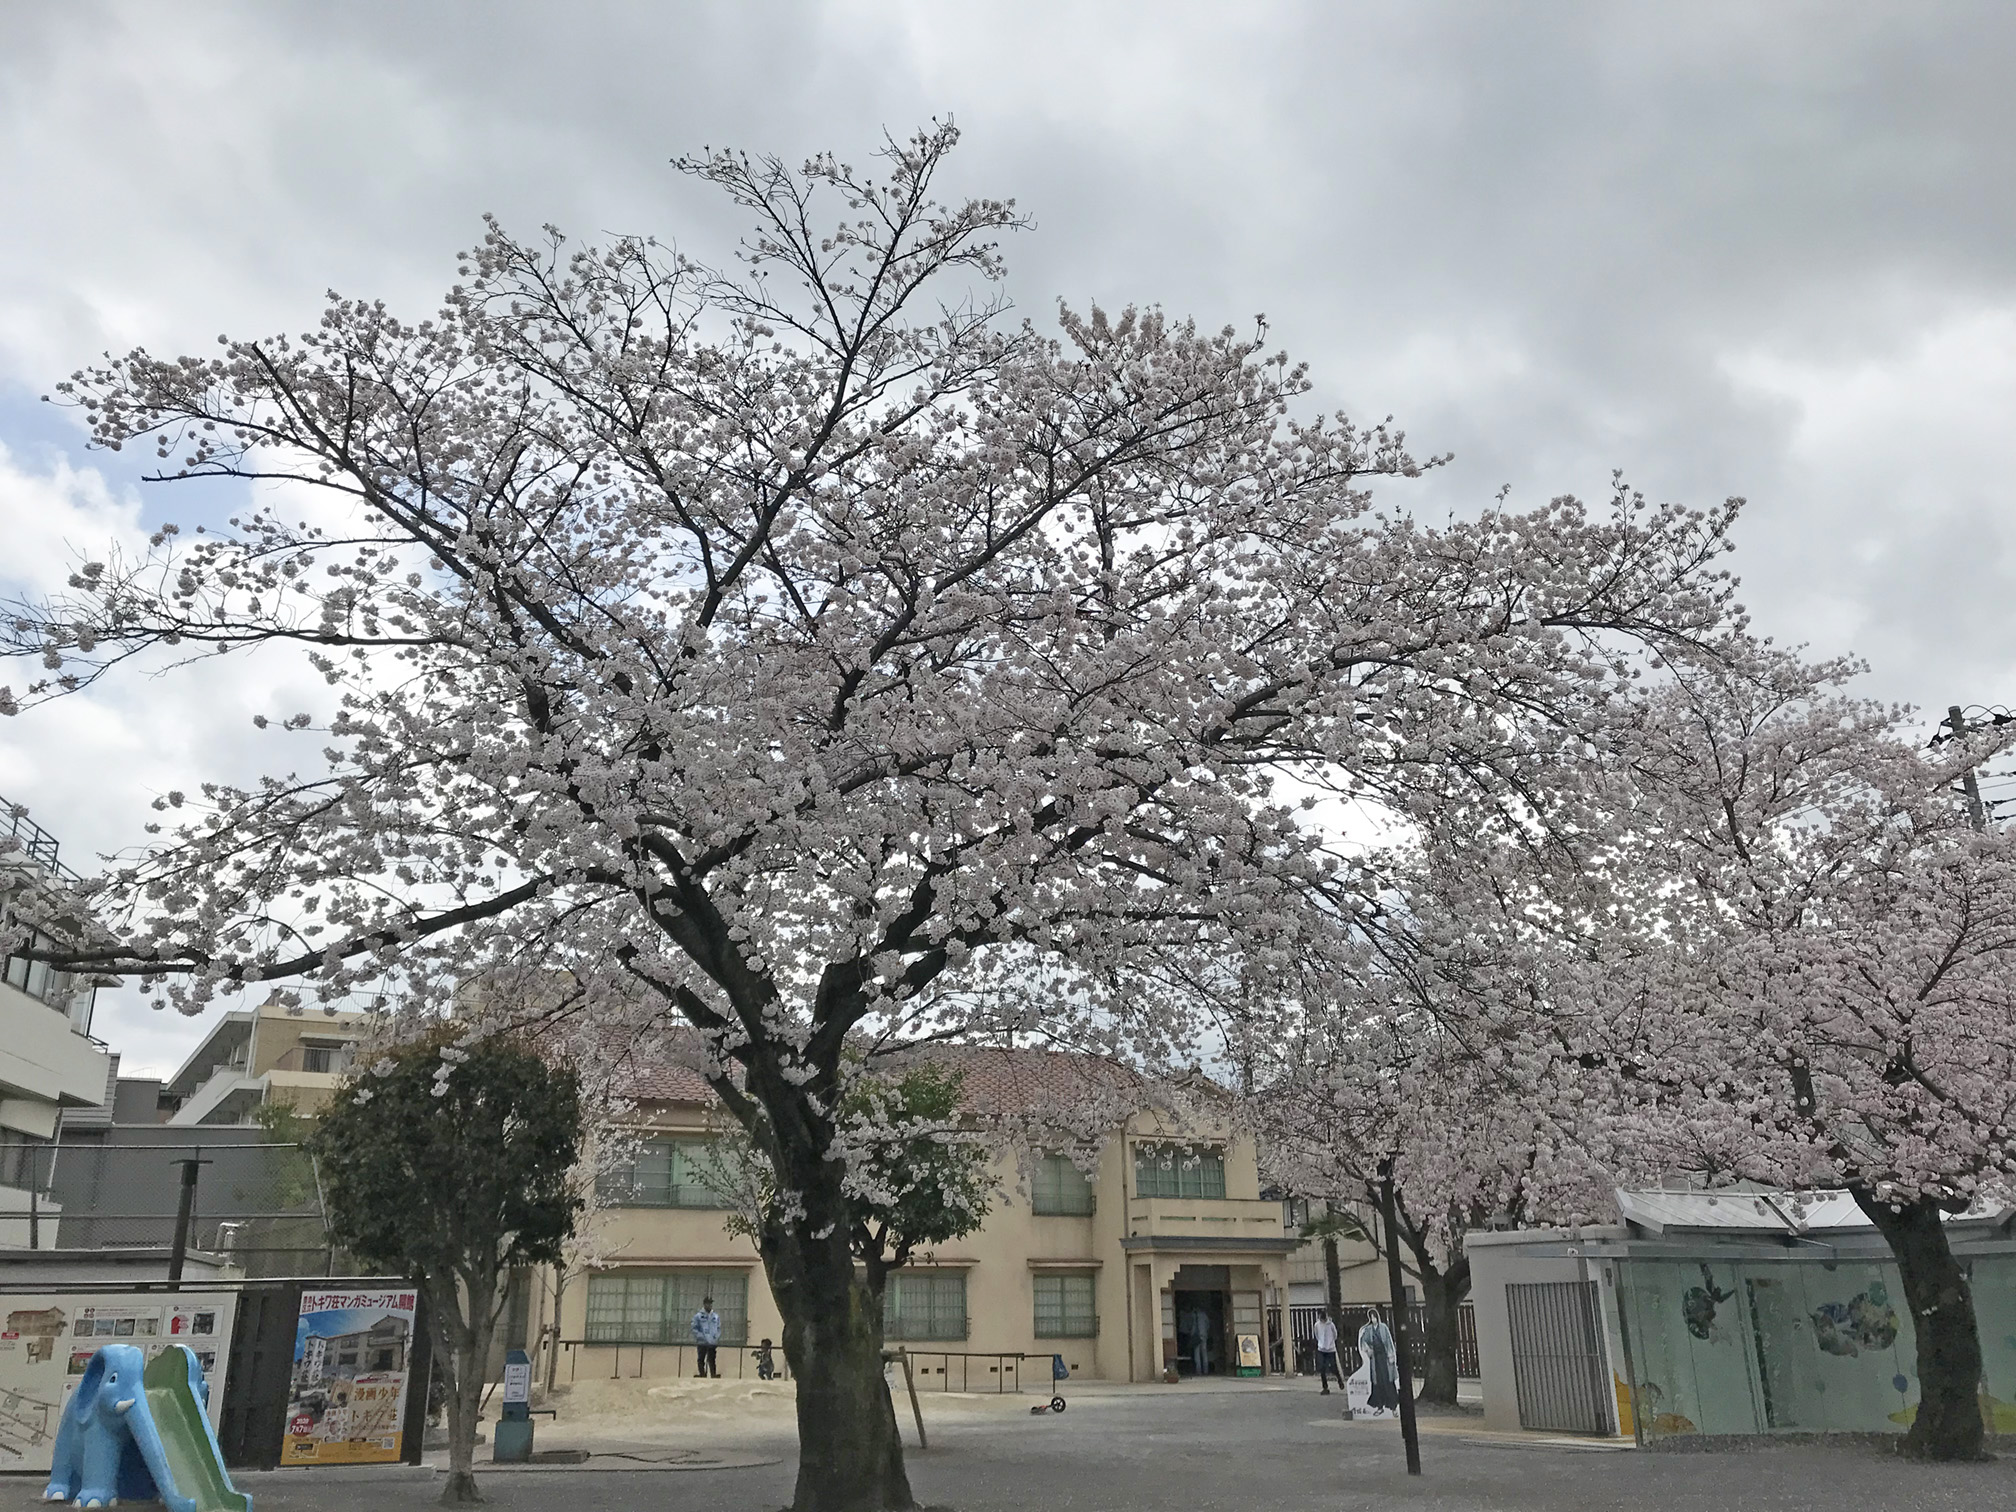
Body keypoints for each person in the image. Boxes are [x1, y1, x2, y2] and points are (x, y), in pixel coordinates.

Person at [1359, 1307, 1398, 1411]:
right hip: (1375, 1358)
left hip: (1384, 1356)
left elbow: (1389, 1341)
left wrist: (1391, 1355)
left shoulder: (1383, 1327)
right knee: (1377, 1379)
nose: (1373, 1319)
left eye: (1374, 1317)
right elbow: (1363, 1341)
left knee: (1387, 1377)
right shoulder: (1368, 1329)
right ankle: (1379, 1404)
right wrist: (1368, 1349)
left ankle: (1391, 1403)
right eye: (1371, 1317)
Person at [1312, 1308, 1343, 1394]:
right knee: (1322, 1368)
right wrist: (1321, 1343)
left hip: (1330, 1349)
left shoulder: (1331, 1325)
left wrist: (1330, 1343)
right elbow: (1317, 1334)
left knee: (1333, 1366)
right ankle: (1325, 1387)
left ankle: (1339, 1380)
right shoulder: (1317, 1325)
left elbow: (1335, 1335)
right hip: (1321, 1349)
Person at [692, 1295, 722, 1378]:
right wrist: (701, 1336)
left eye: (710, 1304)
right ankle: (702, 1374)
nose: (709, 1305)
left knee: (712, 1359)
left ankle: (713, 1374)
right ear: (704, 1304)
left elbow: (718, 1328)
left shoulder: (715, 1316)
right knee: (701, 1359)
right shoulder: (698, 1316)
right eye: (708, 1304)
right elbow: (694, 1329)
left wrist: (716, 1337)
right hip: (702, 1342)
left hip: (712, 1342)